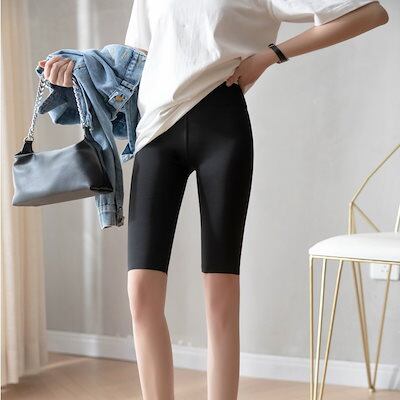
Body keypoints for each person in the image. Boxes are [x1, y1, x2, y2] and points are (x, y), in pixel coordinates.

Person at [38, 1, 388, 399]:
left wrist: (271, 56)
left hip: (223, 130)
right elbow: (134, 60)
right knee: (141, 294)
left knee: (221, 296)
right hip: (155, 134)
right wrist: (78, 71)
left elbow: (370, 12)